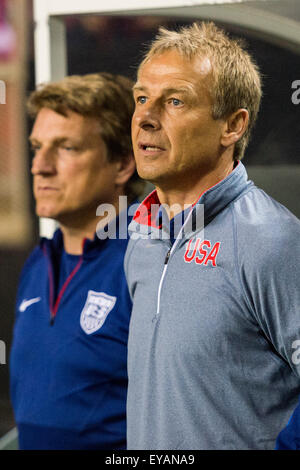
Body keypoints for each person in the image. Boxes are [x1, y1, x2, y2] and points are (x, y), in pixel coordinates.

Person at [125, 22, 300, 450]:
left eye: (175, 101)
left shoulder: (274, 240)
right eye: (142, 98)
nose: (145, 118)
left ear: (232, 126)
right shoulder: (138, 234)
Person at [9, 72, 145, 450]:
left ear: (121, 165)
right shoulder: (40, 260)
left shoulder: (149, 260)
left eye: (66, 147)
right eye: (37, 147)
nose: (40, 166)